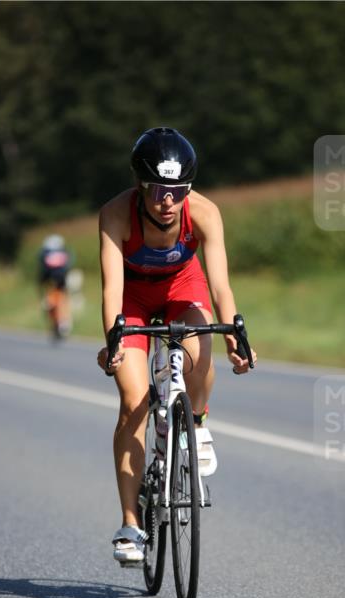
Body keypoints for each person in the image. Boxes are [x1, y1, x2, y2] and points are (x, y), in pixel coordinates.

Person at [97, 126, 256, 565]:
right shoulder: (115, 214)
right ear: (140, 185)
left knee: (200, 343)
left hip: (183, 289)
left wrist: (233, 338)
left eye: (178, 190)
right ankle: (131, 525)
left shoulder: (203, 212)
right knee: (134, 402)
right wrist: (113, 339)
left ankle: (197, 423)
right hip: (132, 296)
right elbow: (111, 287)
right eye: (158, 191)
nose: (168, 201)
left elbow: (220, 285)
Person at [38, 234, 73, 340]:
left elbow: (42, 272)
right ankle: (63, 322)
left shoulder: (45, 253)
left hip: (51, 283)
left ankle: (60, 322)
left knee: (51, 303)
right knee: (61, 301)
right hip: (60, 282)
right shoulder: (64, 252)